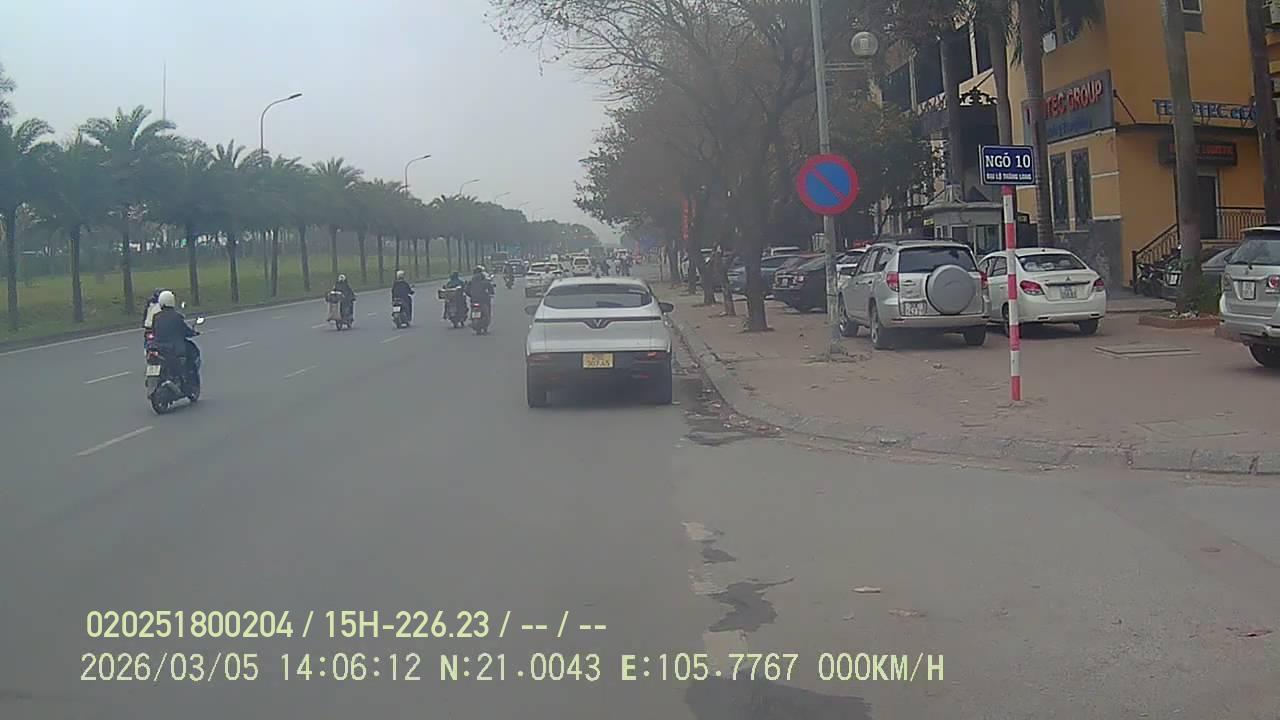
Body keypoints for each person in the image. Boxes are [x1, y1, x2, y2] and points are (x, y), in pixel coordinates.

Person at [151, 290, 200, 384]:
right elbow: (184, 329)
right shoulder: (177, 316)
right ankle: (187, 379)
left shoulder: (156, 317)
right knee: (190, 356)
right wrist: (193, 332)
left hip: (158, 347)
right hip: (174, 348)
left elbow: (154, 330)